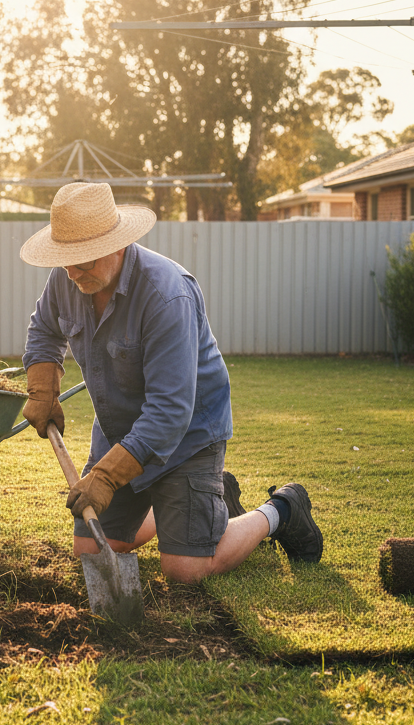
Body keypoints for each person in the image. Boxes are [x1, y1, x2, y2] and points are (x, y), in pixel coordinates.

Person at [20, 181, 323, 584]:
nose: (72, 270)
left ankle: (282, 510)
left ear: (117, 244)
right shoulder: (68, 277)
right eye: (65, 260)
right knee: (90, 551)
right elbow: (44, 329)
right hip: (121, 432)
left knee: (185, 571)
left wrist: (107, 477)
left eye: (83, 260)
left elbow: (170, 411)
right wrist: (42, 389)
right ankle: (200, 509)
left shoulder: (166, 295)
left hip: (188, 437)